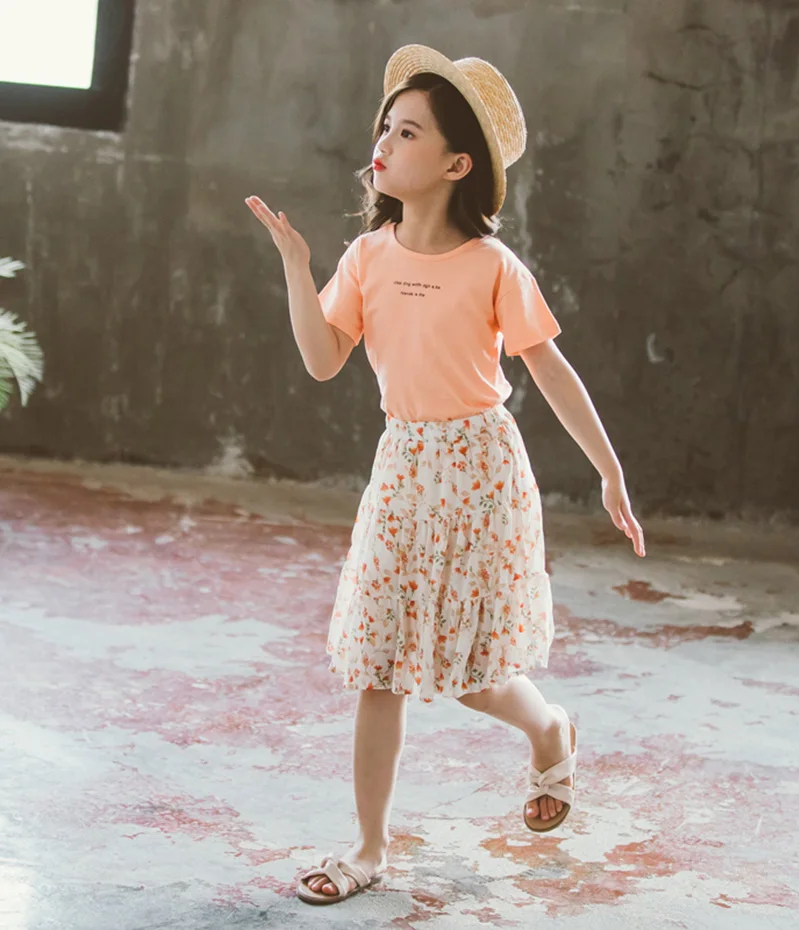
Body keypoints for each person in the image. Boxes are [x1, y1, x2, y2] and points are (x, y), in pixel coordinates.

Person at [245, 44, 645, 906]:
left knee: (472, 675)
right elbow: (322, 359)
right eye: (385, 126)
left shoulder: (494, 267)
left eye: (408, 132)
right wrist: (296, 267)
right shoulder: (366, 256)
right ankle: (368, 849)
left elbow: (551, 373)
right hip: (403, 469)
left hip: (483, 472)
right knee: (380, 667)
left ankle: (549, 729)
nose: (384, 143)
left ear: (457, 165)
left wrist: (609, 472)